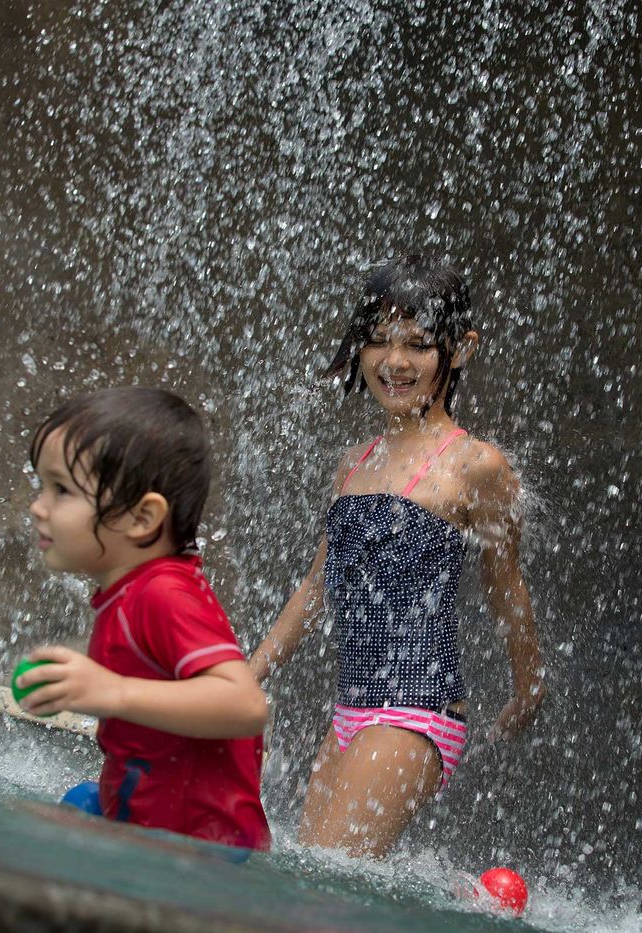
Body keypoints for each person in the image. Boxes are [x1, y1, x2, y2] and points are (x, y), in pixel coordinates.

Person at [250, 253, 545, 858]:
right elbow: (315, 588)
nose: (395, 361)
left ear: (459, 350)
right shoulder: (354, 463)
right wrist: (245, 677)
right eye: (379, 340)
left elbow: (506, 585)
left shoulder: (476, 465)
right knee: (308, 870)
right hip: (351, 711)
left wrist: (528, 689)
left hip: (418, 711)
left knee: (325, 878)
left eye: (417, 344)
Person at [15, 386, 271, 850]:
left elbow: (245, 705)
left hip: (201, 849)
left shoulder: (164, 594)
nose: (38, 506)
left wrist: (111, 690)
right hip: (148, 824)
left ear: (142, 517)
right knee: (68, 809)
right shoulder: (126, 593)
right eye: (42, 486)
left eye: (62, 490)